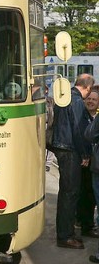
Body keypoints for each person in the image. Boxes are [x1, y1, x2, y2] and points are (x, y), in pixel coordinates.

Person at [52, 73, 94, 249]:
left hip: (62, 147)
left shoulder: (64, 97)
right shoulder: (77, 101)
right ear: (88, 88)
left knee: (66, 192)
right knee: (70, 193)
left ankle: (65, 232)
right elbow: (78, 129)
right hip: (70, 150)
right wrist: (85, 153)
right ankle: (66, 235)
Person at [75, 90, 99, 237]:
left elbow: (88, 135)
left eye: (94, 100)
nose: (90, 101)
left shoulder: (95, 118)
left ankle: (87, 224)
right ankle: (84, 222)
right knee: (85, 194)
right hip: (85, 161)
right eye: (88, 98)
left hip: (94, 162)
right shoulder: (81, 115)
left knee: (91, 196)